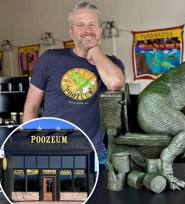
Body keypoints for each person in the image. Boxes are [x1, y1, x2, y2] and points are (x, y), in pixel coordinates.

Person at [23, 1, 126, 164]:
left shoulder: (112, 64)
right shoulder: (50, 58)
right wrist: (31, 144)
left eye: (92, 25)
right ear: (71, 32)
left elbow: (115, 83)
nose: (87, 31)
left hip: (95, 157)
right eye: (80, 25)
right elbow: (31, 107)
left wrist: (96, 51)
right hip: (52, 155)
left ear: (100, 30)